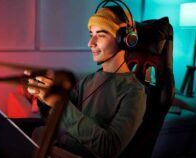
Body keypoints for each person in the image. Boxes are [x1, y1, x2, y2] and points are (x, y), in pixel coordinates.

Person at [26, 4, 147, 158]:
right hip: (59, 146)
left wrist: (60, 104)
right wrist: (44, 95)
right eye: (91, 34)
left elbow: (109, 149)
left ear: (125, 39)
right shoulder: (88, 81)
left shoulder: (134, 92)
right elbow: (58, 119)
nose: (90, 43)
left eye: (101, 34)